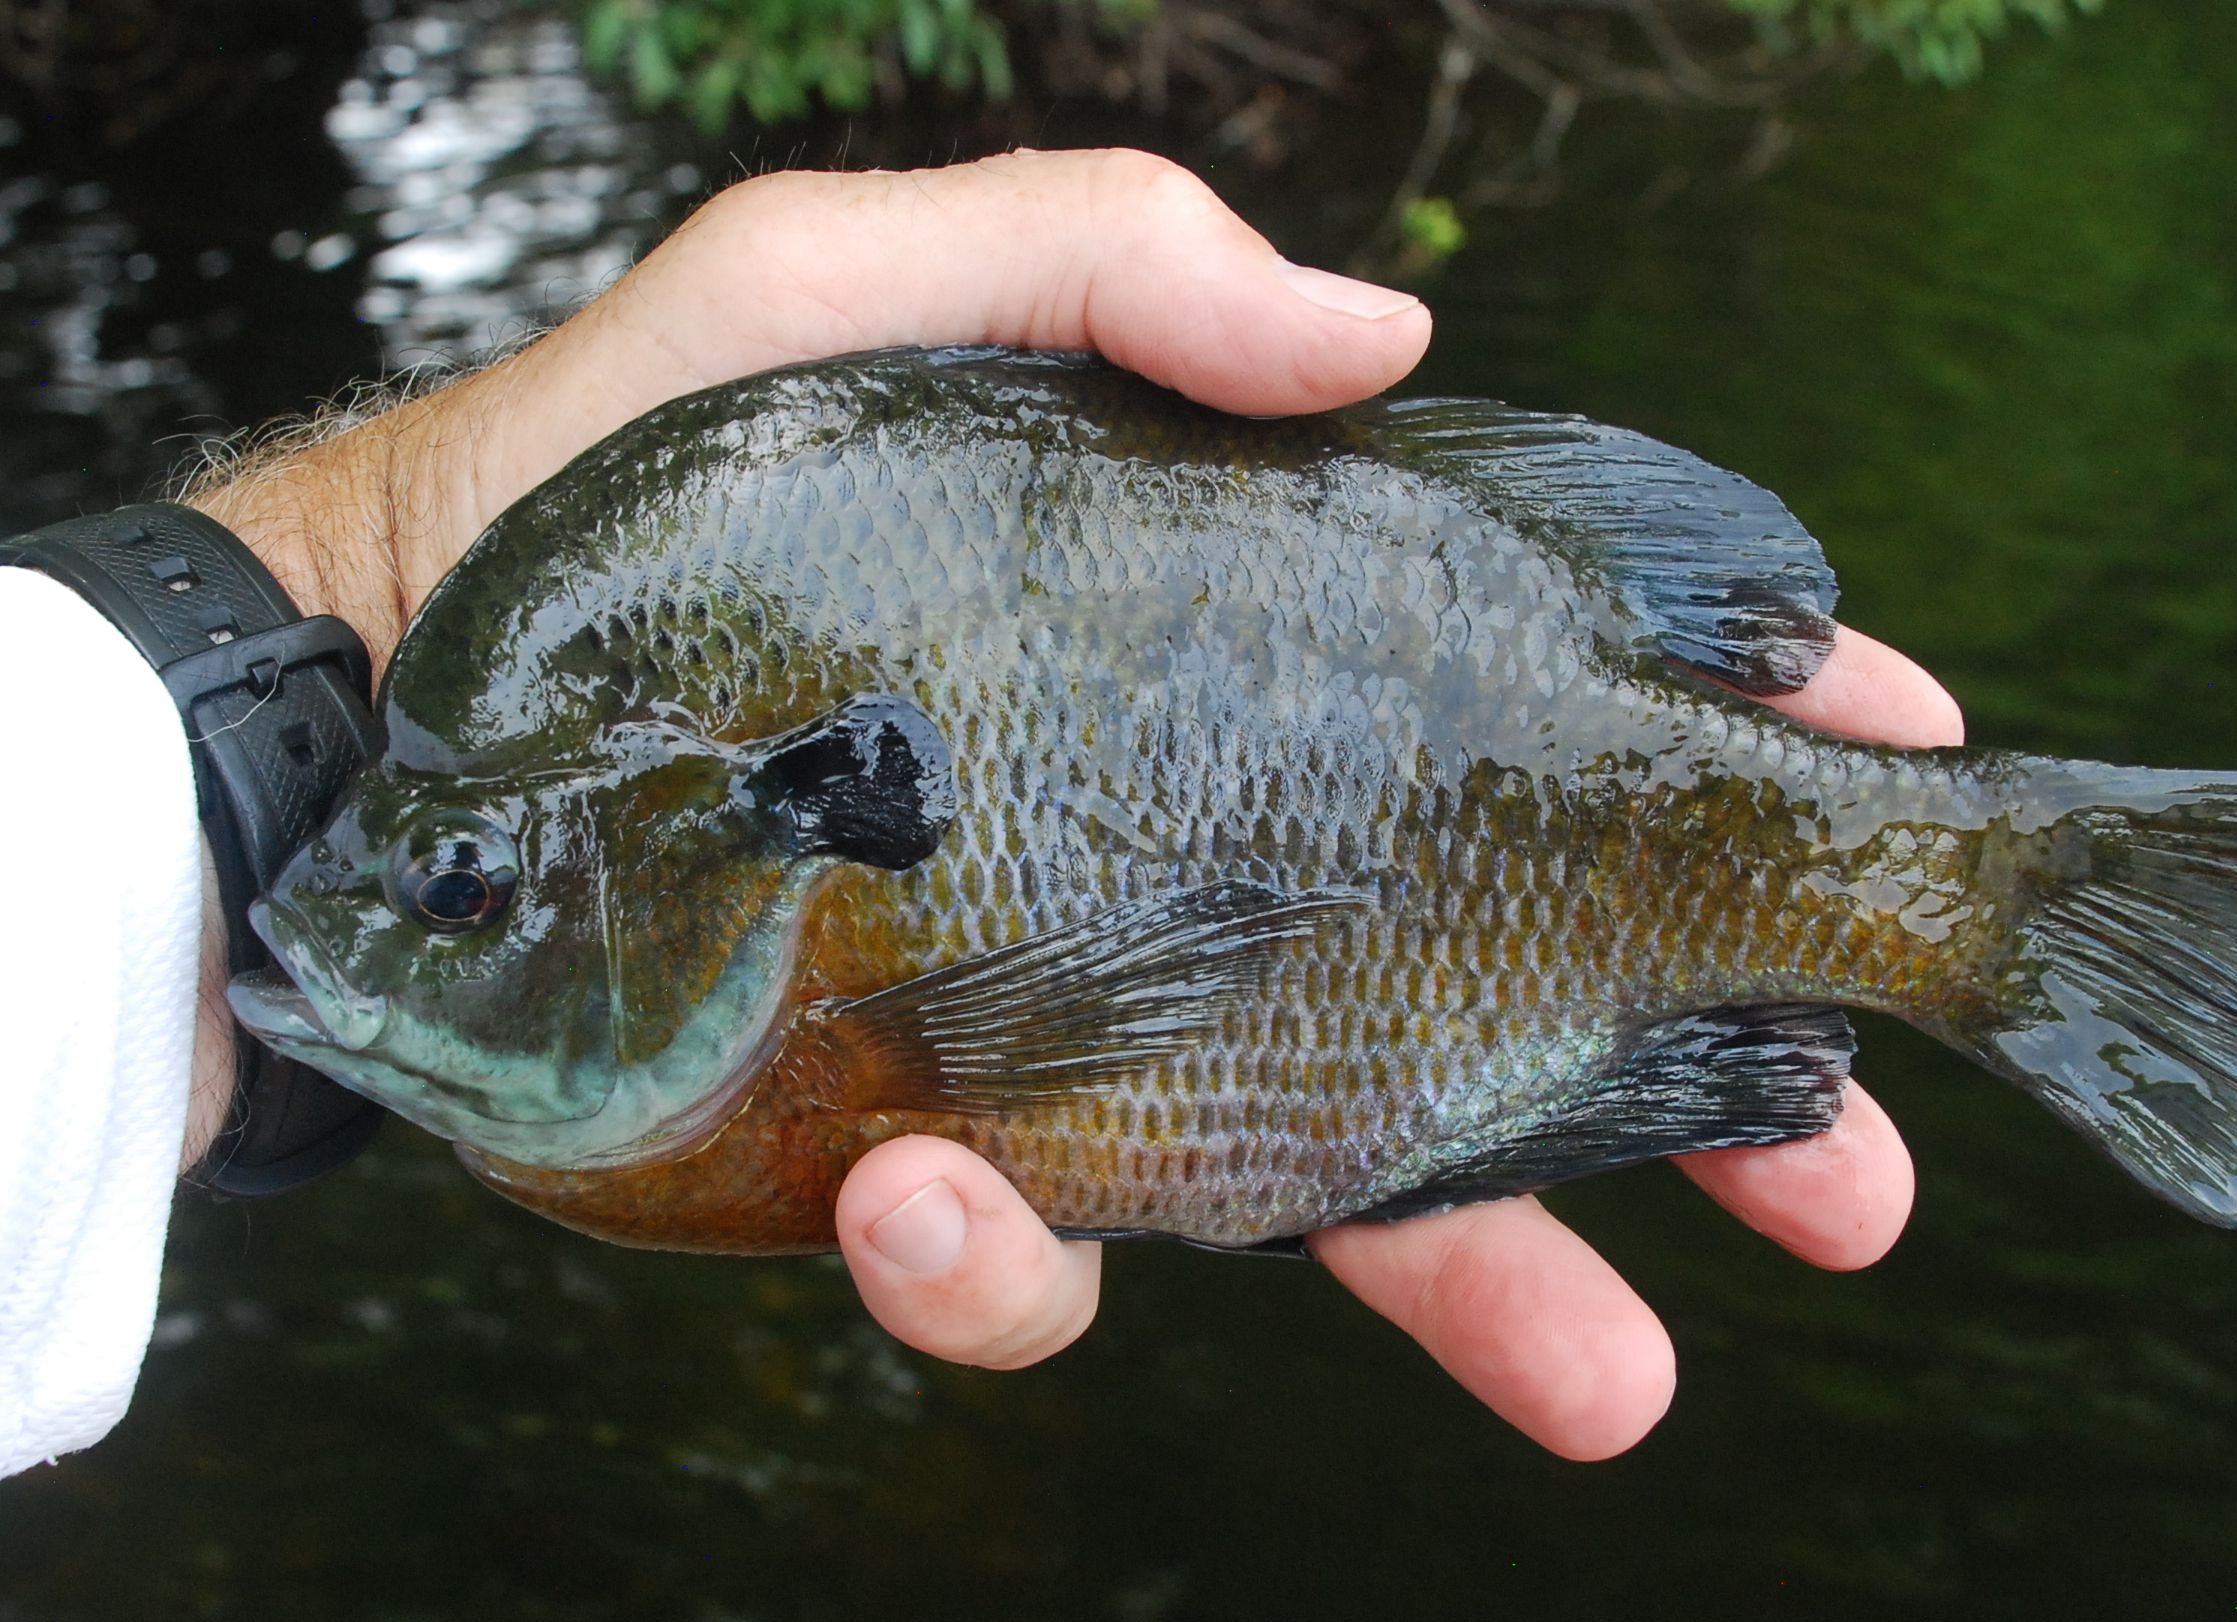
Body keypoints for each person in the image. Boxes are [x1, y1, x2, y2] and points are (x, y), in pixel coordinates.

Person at [0, 149, 1949, 1479]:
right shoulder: (549, 618)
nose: (350, 916)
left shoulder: (611, 614)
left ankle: (2005, 904)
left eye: (457, 879)